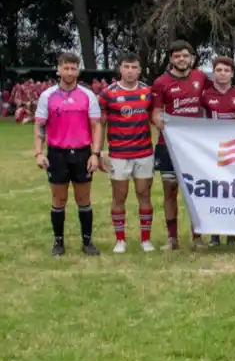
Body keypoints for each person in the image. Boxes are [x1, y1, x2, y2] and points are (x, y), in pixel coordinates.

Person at [34, 52, 103, 257]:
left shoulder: (88, 95)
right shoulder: (47, 96)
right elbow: (40, 125)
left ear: (78, 71)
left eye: (73, 68)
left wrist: (95, 154)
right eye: (66, 68)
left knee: (84, 198)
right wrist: (38, 153)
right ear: (59, 70)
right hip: (57, 154)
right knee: (58, 199)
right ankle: (58, 242)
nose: (70, 72)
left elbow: (96, 126)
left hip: (82, 153)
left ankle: (87, 242)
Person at [151, 40, 210, 251]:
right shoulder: (161, 82)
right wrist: (169, 130)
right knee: (170, 191)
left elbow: (214, 99)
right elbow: (156, 114)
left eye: (185, 55)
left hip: (194, 147)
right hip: (169, 146)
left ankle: (197, 236)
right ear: (171, 59)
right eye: (177, 56)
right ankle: (172, 238)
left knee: (196, 192)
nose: (181, 59)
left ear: (192, 58)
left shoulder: (201, 77)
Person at [98, 53, 156, 253]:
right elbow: (100, 124)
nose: (130, 71)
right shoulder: (108, 93)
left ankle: (145, 240)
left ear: (140, 70)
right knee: (119, 196)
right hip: (118, 154)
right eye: (126, 67)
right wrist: (99, 152)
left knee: (144, 194)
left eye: (134, 67)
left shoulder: (148, 92)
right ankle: (120, 240)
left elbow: (155, 118)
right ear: (120, 69)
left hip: (144, 153)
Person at [202, 56, 235, 246]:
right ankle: (214, 234)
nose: (222, 74)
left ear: (232, 73)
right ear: (214, 73)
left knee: (233, 190)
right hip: (212, 149)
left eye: (226, 70)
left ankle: (231, 234)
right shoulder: (205, 94)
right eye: (219, 70)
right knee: (214, 191)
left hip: (234, 149)